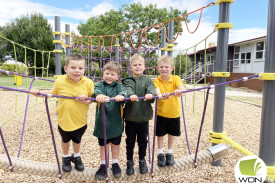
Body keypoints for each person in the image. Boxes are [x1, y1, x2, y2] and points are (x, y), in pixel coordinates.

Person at [29, 54, 94, 172]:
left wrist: (86, 100)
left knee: (77, 140)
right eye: (73, 67)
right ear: (65, 69)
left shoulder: (88, 83)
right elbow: (52, 93)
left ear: (84, 69)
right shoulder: (60, 81)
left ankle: (77, 155)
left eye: (80, 68)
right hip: (64, 119)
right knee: (65, 139)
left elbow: (91, 99)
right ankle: (66, 157)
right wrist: (39, 92)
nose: (77, 71)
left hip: (80, 120)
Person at [93, 61, 127, 180]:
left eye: (113, 74)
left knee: (115, 144)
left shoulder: (119, 86)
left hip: (116, 122)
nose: (109, 76)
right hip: (102, 122)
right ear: (103, 74)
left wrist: (121, 96)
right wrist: (99, 95)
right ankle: (103, 164)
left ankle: (115, 163)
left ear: (118, 77)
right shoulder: (99, 85)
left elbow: (124, 93)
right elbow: (96, 92)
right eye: (107, 73)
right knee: (103, 145)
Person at [122, 54, 155, 175]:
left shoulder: (148, 80)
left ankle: (142, 160)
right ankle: (129, 162)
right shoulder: (128, 80)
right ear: (131, 68)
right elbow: (128, 89)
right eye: (135, 65)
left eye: (139, 64)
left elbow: (151, 88)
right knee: (129, 141)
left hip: (143, 117)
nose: (137, 67)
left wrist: (150, 94)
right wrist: (130, 95)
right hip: (130, 117)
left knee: (143, 141)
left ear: (144, 67)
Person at [153, 55, 185, 167]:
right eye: (161, 67)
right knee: (160, 134)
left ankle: (169, 152)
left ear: (172, 68)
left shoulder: (176, 79)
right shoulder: (156, 81)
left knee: (172, 133)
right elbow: (157, 92)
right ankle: (160, 153)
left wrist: (179, 90)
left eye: (166, 67)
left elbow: (182, 88)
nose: (164, 69)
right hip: (161, 113)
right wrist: (161, 96)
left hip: (174, 113)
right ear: (158, 68)